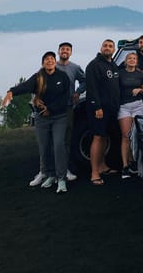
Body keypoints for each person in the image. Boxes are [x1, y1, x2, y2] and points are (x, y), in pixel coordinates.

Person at [1, 51, 70, 194]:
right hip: (42, 119)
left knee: (58, 145)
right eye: (46, 59)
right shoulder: (38, 77)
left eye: (52, 59)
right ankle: (50, 175)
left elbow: (65, 98)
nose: (49, 61)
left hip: (59, 117)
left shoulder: (62, 77)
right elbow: (25, 86)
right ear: (43, 63)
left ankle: (61, 178)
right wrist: (11, 92)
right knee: (44, 147)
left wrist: (50, 109)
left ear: (55, 61)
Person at [29, 41, 85, 186]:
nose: (65, 51)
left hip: (67, 108)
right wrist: (36, 100)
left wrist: (78, 92)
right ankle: (44, 171)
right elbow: (37, 85)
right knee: (46, 142)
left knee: (64, 141)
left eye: (67, 49)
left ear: (71, 52)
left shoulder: (75, 68)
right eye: (62, 49)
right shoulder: (51, 66)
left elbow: (85, 81)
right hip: (47, 109)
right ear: (58, 52)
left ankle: (64, 170)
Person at [85, 39, 120, 186]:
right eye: (105, 45)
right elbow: (92, 88)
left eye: (110, 46)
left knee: (105, 137)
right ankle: (94, 173)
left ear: (114, 50)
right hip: (99, 109)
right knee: (98, 137)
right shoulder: (94, 65)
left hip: (112, 109)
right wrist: (97, 107)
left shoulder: (113, 65)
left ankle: (102, 165)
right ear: (101, 48)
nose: (108, 48)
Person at [118, 52, 143, 179]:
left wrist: (140, 90)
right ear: (125, 61)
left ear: (137, 61)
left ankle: (136, 163)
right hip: (124, 106)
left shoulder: (140, 74)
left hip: (138, 105)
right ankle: (125, 166)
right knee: (126, 136)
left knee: (138, 135)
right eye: (129, 58)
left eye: (134, 58)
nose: (132, 60)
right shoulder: (120, 73)